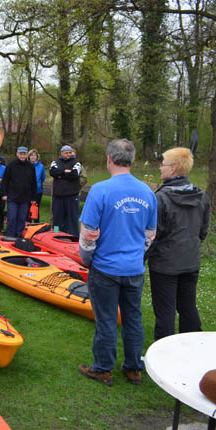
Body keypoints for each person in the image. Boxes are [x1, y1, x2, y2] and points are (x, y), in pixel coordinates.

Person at [77, 138, 157, 386]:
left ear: (109, 159)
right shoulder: (148, 192)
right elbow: (149, 235)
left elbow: (88, 233)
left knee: (107, 319)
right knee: (133, 318)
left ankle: (102, 368)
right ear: (132, 161)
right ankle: (133, 368)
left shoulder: (100, 190)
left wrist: (88, 260)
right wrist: (136, 257)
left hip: (105, 268)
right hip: (134, 268)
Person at [146, 147, 210, 340]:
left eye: (163, 164)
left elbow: (153, 235)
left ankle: (165, 356)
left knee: (165, 311)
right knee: (188, 306)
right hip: (190, 262)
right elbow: (203, 231)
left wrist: (143, 258)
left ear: (172, 169)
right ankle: (192, 348)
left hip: (165, 265)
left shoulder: (161, 199)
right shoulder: (202, 197)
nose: (160, 168)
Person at [2, 146, 36, 237]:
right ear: (17, 154)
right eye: (20, 154)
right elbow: (5, 180)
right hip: (12, 197)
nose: (22, 156)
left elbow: (34, 183)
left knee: (22, 219)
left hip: (25, 198)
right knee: (12, 218)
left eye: (24, 154)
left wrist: (33, 197)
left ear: (26, 155)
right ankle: (10, 236)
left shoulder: (30, 167)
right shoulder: (11, 165)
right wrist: (4, 194)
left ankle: (18, 237)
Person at [50, 145, 82, 237]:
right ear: (61, 153)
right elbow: (52, 172)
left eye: (70, 152)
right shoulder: (55, 162)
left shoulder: (77, 163)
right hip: (58, 196)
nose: (68, 154)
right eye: (66, 153)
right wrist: (65, 171)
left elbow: (75, 174)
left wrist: (60, 175)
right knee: (57, 219)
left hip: (71, 196)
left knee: (72, 219)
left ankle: (74, 237)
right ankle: (56, 234)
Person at [28, 149, 46, 222]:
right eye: (31, 155)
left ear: (37, 157)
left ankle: (36, 226)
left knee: (35, 209)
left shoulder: (41, 166)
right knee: (27, 209)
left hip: (37, 191)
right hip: (27, 191)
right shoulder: (26, 165)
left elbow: (43, 178)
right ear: (29, 157)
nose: (33, 157)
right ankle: (27, 226)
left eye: (34, 155)